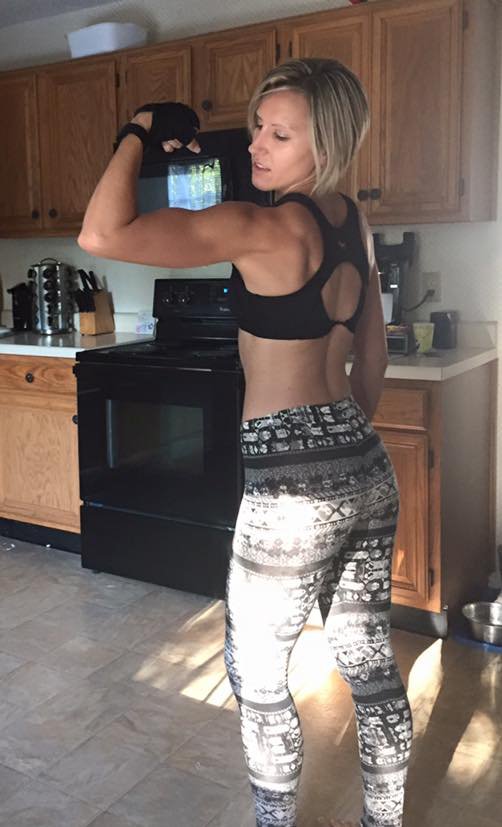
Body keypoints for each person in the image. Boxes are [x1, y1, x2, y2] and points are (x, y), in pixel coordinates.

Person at [78, 58, 413, 827]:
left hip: (290, 484)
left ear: (326, 144)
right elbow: (374, 356)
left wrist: (138, 130)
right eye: (259, 126)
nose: (257, 144)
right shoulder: (354, 223)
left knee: (257, 677)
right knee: (368, 663)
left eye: (279, 134)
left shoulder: (262, 226)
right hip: (364, 461)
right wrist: (338, 441)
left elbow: (100, 231)